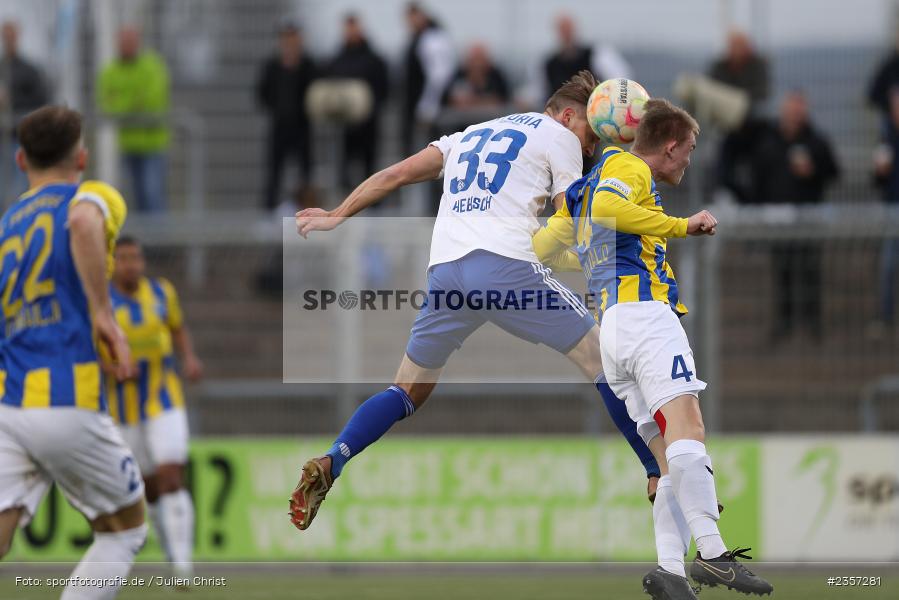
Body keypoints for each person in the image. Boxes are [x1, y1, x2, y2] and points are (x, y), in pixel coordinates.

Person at [290, 71, 693, 534]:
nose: (588, 149)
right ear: (568, 114)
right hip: (505, 267)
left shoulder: (467, 135)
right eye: (589, 135)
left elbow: (398, 173)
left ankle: (332, 460)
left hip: (445, 274)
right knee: (604, 359)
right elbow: (575, 215)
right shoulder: (559, 135)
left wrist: (337, 214)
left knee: (406, 390)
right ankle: (656, 468)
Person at [533, 98, 773, 599]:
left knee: (666, 458)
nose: (688, 159)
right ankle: (713, 555)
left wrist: (592, 260)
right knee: (690, 430)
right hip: (645, 317)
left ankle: (671, 569)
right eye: (687, 149)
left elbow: (542, 248)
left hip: (613, 329)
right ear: (669, 146)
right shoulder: (626, 167)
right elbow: (608, 208)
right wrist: (681, 225)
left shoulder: (581, 190)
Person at [0, 105, 145, 599]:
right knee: (126, 529)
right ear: (81, 158)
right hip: (65, 398)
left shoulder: (8, 225)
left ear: (21, 161)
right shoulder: (89, 195)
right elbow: (83, 222)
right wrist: (102, 313)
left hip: (8, 402)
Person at [104, 236, 202, 579]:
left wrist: (188, 358)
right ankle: (171, 555)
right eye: (125, 258)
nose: (132, 264)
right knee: (148, 487)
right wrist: (112, 370)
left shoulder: (161, 292)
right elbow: (89, 351)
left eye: (136, 258)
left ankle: (182, 567)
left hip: (165, 399)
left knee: (171, 475)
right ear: (112, 262)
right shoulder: (100, 302)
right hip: (124, 407)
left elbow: (177, 328)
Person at [750, 91, 839, 341]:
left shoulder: (817, 141)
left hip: (809, 218)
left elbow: (833, 171)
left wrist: (813, 170)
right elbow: (758, 178)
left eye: (799, 112)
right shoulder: (768, 141)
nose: (795, 117)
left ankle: (813, 324)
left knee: (811, 272)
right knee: (783, 272)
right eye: (791, 111)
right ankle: (784, 323)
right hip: (778, 221)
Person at [97, 26, 171, 213]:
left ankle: (157, 241)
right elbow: (106, 104)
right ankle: (140, 240)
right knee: (131, 198)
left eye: (130, 41)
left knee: (152, 195)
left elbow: (153, 100)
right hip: (128, 144)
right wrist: (135, 100)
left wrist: (122, 100)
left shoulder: (152, 65)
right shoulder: (110, 70)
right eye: (123, 42)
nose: (127, 46)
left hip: (152, 143)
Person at [256, 21, 319, 210]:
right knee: (274, 173)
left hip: (302, 127)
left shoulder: (308, 65)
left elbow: (316, 91)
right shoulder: (272, 65)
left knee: (305, 174)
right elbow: (262, 93)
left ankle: (307, 211)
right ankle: (269, 213)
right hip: (279, 126)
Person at [327, 14, 389, 190]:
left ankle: (372, 206)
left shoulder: (374, 60)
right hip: (344, 126)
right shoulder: (337, 60)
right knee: (344, 169)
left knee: (371, 168)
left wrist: (370, 107)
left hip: (369, 123)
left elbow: (383, 89)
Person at [708, 31, 770, 203]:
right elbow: (711, 93)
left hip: (755, 129)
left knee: (760, 168)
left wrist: (731, 103)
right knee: (723, 172)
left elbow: (760, 95)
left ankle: (757, 201)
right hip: (729, 130)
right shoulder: (719, 67)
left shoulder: (758, 66)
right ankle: (741, 200)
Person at [0, 21, 50, 202]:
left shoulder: (29, 70)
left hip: (18, 141)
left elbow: (40, 101)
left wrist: (10, 100)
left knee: (18, 192)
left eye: (11, 35)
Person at [401, 3, 455, 156]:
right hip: (416, 103)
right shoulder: (419, 37)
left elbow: (438, 75)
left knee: (435, 149)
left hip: (428, 105)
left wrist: (429, 105)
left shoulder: (432, 38)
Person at [543, 14, 631, 99]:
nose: (566, 34)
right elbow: (538, 93)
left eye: (568, 29)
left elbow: (622, 79)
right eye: (563, 30)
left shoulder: (596, 55)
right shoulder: (549, 65)